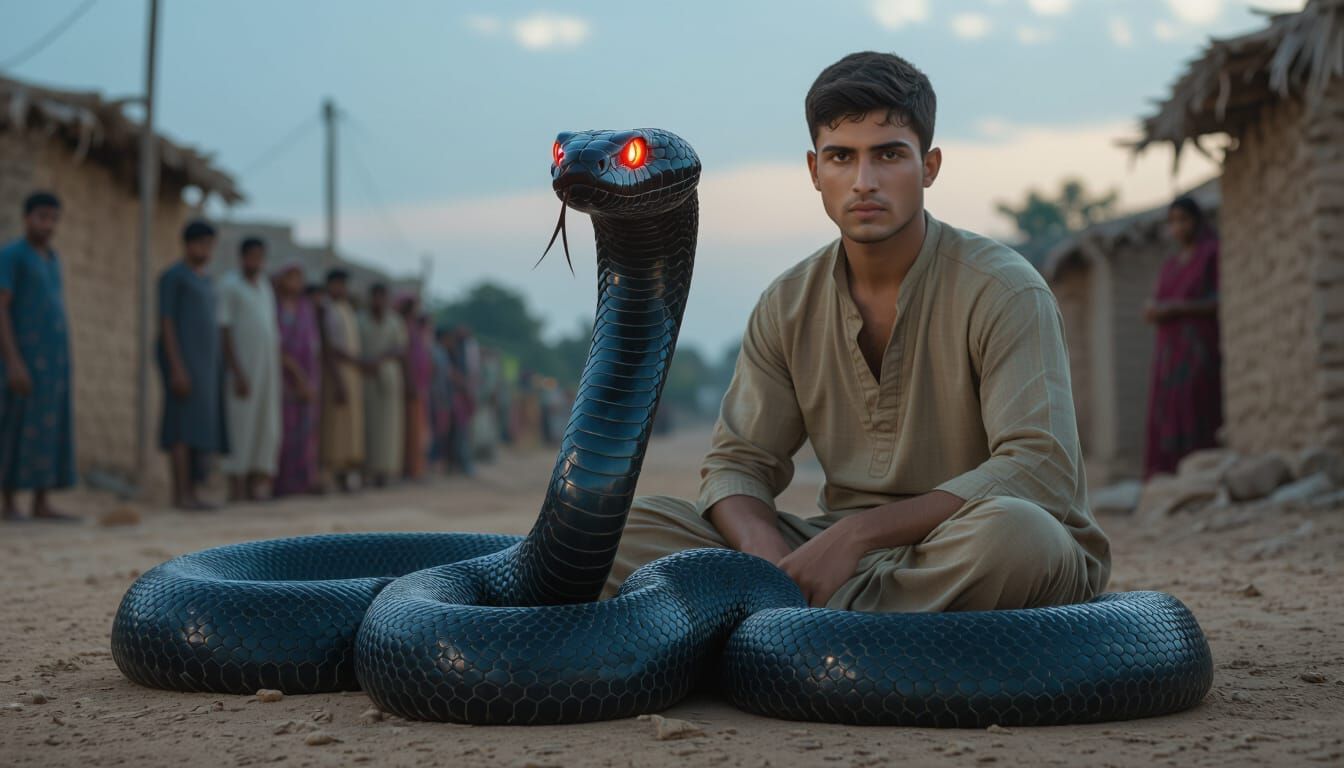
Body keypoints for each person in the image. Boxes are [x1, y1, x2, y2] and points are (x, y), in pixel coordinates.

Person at [601, 51, 1109, 612]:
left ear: (930, 167)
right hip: (836, 555)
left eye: (889, 155)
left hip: (962, 546)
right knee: (631, 528)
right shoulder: (787, 302)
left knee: (1018, 534)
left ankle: (788, 628)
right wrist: (768, 559)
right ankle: (823, 618)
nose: (864, 182)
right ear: (816, 171)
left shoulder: (1005, 289)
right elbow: (737, 464)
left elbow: (1038, 468)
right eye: (842, 157)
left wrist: (858, 535)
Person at [0, 192, 77, 522]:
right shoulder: (12, 256)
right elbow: (1, 308)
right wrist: (13, 360)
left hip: (53, 359)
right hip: (23, 357)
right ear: (27, 217)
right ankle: (9, 504)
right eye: (42, 217)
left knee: (50, 427)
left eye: (53, 218)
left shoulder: (53, 258)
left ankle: (41, 501)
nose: (48, 225)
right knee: (14, 425)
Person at [1143, 196, 1223, 478]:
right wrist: (1154, 310)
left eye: (1183, 220)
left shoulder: (1211, 254)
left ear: (1197, 221)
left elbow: (1219, 301)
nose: (1178, 227)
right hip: (1170, 352)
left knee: (1196, 402)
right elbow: (1156, 301)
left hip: (1199, 348)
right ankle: (1169, 473)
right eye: (1173, 222)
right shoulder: (1171, 265)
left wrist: (1177, 308)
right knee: (1169, 408)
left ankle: (1200, 469)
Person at [158, 220, 227, 511]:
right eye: (200, 244)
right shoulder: (174, 277)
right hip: (183, 362)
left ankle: (194, 492)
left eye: (210, 244)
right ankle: (180, 494)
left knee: (200, 428)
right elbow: (167, 322)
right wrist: (176, 366)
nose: (205, 250)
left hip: (206, 365)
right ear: (187, 245)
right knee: (181, 428)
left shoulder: (207, 280)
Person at [217, 237, 281, 501]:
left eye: (260, 256)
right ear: (242, 257)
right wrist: (237, 371)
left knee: (266, 426)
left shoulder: (265, 287)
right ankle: (236, 488)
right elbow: (224, 329)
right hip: (243, 370)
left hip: (267, 369)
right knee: (240, 425)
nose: (256, 261)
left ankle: (257, 486)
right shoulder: (230, 286)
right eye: (251, 256)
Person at [274, 262, 322, 496]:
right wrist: (298, 376)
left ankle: (304, 480)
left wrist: (309, 381)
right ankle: (282, 483)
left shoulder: (305, 308)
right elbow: (277, 346)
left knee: (305, 431)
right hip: (284, 379)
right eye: (290, 277)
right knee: (284, 430)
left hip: (307, 378)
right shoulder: (274, 307)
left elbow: (312, 346)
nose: (295, 283)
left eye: (298, 278)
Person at [319, 269, 365, 492]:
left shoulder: (347, 309)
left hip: (351, 372)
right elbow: (330, 348)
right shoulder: (327, 309)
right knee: (334, 425)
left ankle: (345, 475)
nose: (340, 289)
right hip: (336, 372)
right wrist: (338, 379)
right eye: (336, 284)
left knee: (350, 427)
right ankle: (328, 474)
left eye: (343, 284)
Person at [359, 283, 406, 487]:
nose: (379, 301)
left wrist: (380, 359)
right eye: (375, 296)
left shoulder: (395, 322)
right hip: (364, 376)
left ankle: (385, 472)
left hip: (388, 379)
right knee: (366, 425)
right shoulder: (359, 320)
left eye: (382, 297)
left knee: (388, 427)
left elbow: (401, 349)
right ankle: (366, 471)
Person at [397, 296, 432, 480]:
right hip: (408, 387)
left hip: (419, 388)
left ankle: (416, 467)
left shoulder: (417, 330)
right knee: (408, 429)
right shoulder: (404, 327)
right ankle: (408, 468)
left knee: (418, 429)